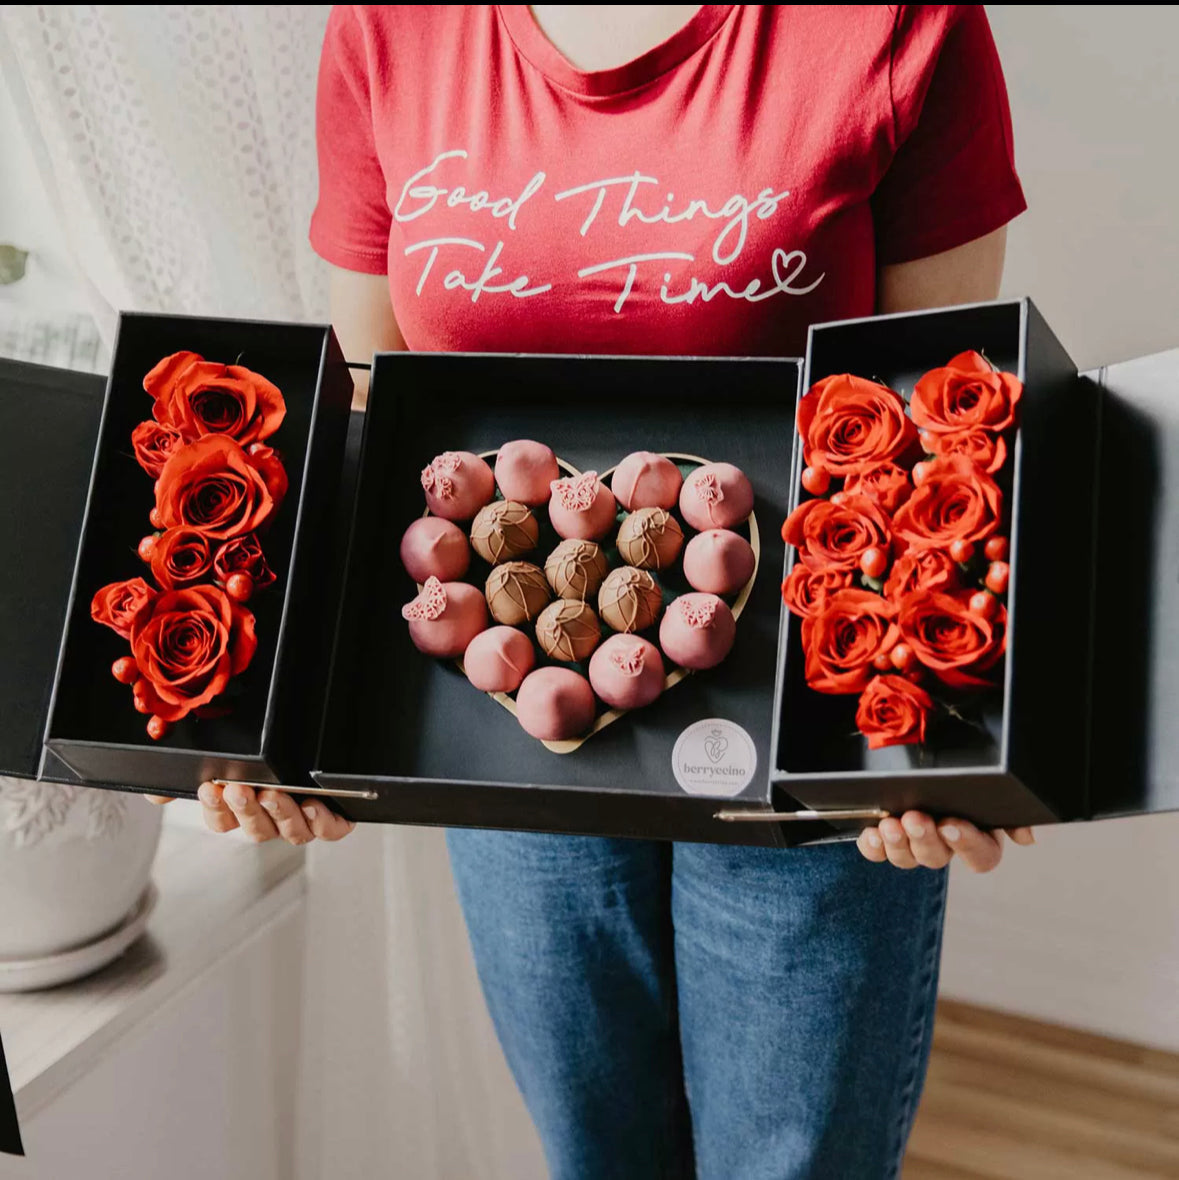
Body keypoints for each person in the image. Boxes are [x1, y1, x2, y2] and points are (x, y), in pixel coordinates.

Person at [162, 6, 1038, 1176]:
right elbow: (373, 413)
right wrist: (295, 725)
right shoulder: (392, 26)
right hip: (511, 735)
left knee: (793, 1160)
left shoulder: (895, 25)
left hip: (807, 733)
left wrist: (948, 749)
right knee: (594, 1153)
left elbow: (944, 417)